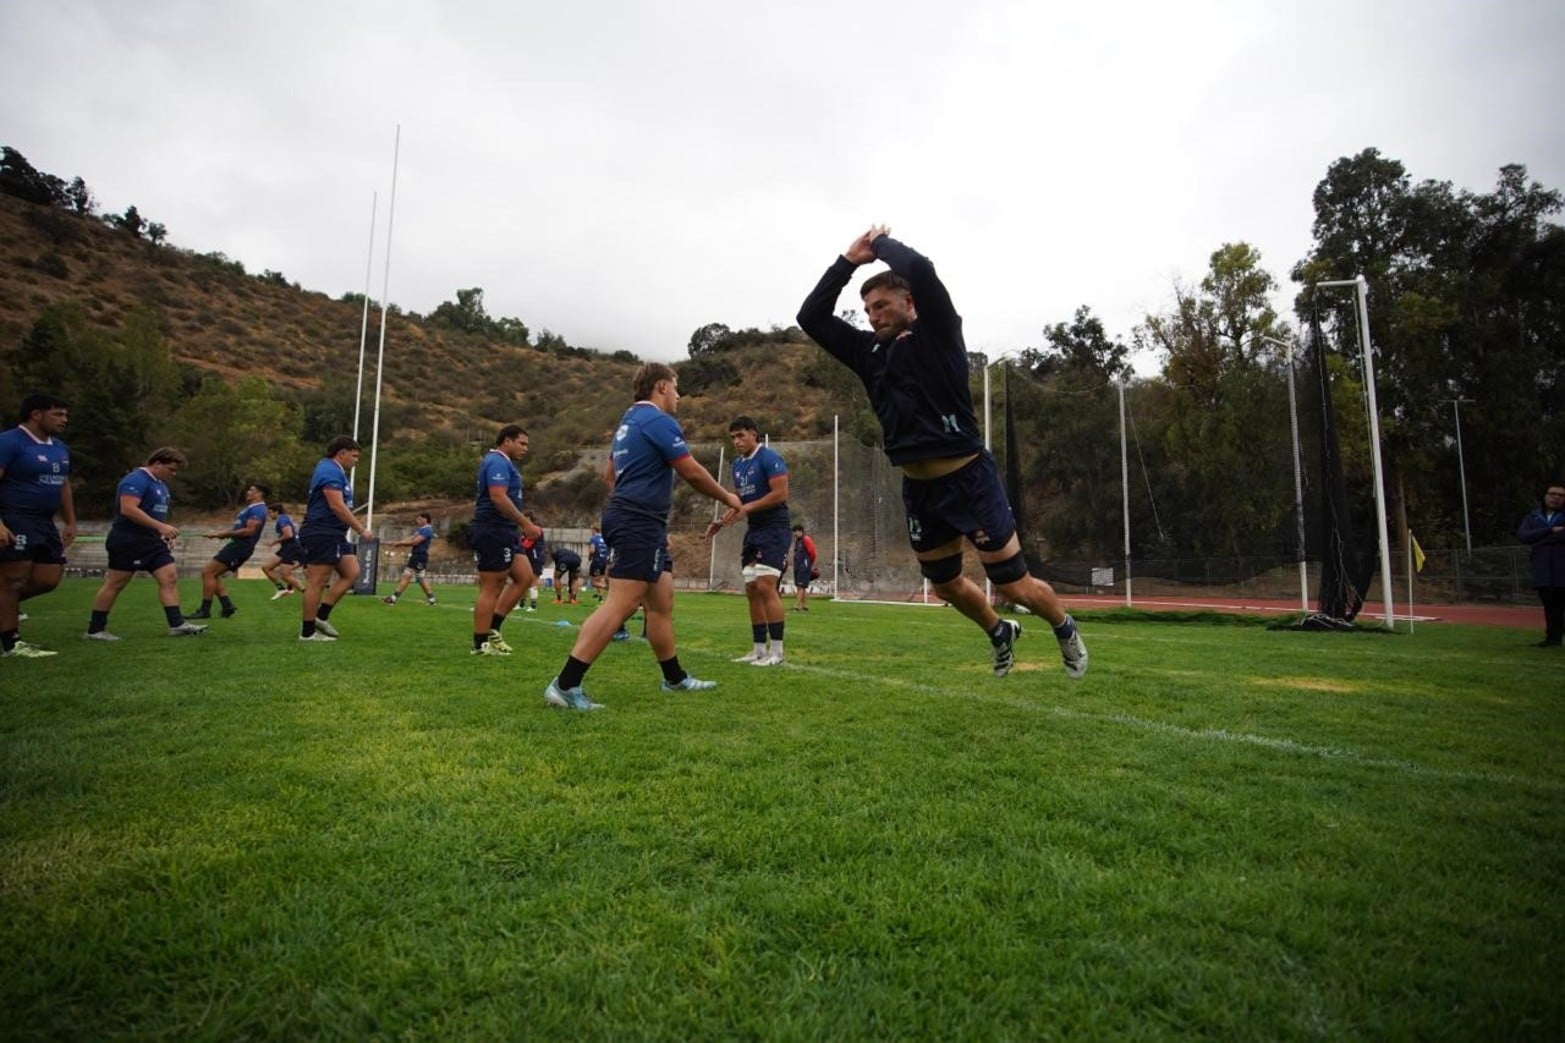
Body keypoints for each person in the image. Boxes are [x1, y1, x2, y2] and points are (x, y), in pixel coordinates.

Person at [797, 225, 1087, 679]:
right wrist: (847, 263)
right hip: (920, 489)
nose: (874, 316)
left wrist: (880, 248)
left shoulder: (939, 331)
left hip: (969, 478)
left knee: (1013, 584)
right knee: (946, 585)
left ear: (909, 304)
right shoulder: (866, 351)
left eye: (883, 306)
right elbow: (811, 317)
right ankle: (998, 632)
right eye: (868, 310)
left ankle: (1063, 626)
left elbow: (921, 270)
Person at [544, 362, 742, 710]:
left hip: (639, 520)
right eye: (676, 388)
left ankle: (675, 679)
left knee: (661, 602)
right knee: (622, 602)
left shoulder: (628, 422)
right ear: (661, 386)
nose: (679, 396)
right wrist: (728, 497)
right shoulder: (657, 420)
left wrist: (646, 515)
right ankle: (565, 684)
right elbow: (691, 471)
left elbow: (610, 475)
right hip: (637, 521)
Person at [83, 447, 208, 640]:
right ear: (157, 463)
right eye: (171, 469)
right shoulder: (136, 479)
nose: (173, 474)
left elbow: (155, 514)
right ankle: (95, 629)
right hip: (128, 539)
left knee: (169, 577)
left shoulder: (161, 485)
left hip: (151, 541)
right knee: (116, 583)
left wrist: (162, 534)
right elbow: (128, 509)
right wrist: (160, 527)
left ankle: (177, 624)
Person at [707, 416, 791, 666]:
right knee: (752, 589)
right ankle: (758, 651)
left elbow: (780, 494)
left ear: (754, 434)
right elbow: (742, 503)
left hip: (774, 528)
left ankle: (777, 652)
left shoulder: (769, 458)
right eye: (733, 437)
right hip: (754, 530)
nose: (737, 441)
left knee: (766, 586)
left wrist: (748, 507)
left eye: (741, 435)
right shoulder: (737, 465)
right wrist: (722, 521)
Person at [0, 394, 76, 659]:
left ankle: (4, 611)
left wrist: (70, 521)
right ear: (35, 414)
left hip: (45, 522)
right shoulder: (9, 442)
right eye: (57, 414)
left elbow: (63, 484)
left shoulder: (59, 447)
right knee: (13, 577)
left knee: (48, 578)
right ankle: (12, 643)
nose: (64, 420)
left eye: (65, 415)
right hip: (15, 517)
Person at [467, 425, 544, 656]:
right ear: (506, 441)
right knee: (492, 585)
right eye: (522, 443)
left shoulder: (506, 464)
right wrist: (525, 523)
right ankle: (480, 644)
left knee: (525, 577)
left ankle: (493, 628)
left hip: (506, 530)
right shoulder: (497, 461)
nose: (525, 449)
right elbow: (498, 497)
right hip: (492, 529)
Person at [297, 436, 374, 641]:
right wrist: (360, 529)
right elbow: (336, 505)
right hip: (322, 531)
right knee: (318, 581)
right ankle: (307, 633)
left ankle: (321, 617)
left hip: (335, 533)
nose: (356, 461)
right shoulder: (329, 470)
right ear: (341, 453)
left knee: (352, 572)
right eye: (354, 456)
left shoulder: (335, 471)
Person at [189, 482, 270, 619]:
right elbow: (239, 529)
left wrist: (223, 534)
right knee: (212, 574)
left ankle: (205, 610)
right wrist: (220, 534)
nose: (248, 492)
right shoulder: (251, 508)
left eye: (251, 490)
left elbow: (249, 531)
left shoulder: (258, 509)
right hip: (237, 545)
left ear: (259, 494)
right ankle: (227, 606)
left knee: (208, 572)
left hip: (240, 547)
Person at [1518, 482, 1565, 648]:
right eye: (1553, 494)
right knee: (1550, 604)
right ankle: (1553, 638)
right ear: (1545, 496)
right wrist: (1550, 531)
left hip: (1562, 566)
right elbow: (1523, 536)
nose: (1556, 498)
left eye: (1561, 495)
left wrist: (1539, 542)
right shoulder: (1534, 516)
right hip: (1543, 568)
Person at [382, 512, 438, 605]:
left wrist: (399, 544)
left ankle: (393, 598)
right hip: (418, 556)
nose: (417, 521)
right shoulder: (421, 529)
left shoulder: (427, 530)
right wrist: (396, 543)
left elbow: (415, 542)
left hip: (419, 556)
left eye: (419, 519)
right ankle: (432, 600)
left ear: (425, 519)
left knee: (407, 576)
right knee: (420, 578)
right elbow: (410, 539)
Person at [260, 501, 306, 599]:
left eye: (270, 512)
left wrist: (274, 542)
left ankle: (307, 593)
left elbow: (289, 534)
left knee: (285, 575)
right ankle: (281, 589)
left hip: (291, 547)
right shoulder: (284, 518)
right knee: (266, 567)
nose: (269, 515)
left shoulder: (282, 519)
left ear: (276, 512)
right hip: (286, 547)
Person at [789, 523, 818, 612]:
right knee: (800, 586)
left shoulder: (806, 539)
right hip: (798, 566)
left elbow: (813, 553)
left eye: (795, 532)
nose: (794, 534)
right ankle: (805, 606)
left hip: (804, 566)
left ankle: (796, 606)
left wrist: (809, 564)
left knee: (801, 586)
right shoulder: (798, 541)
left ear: (800, 531)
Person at [520, 512, 546, 611]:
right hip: (528, 558)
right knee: (523, 580)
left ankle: (533, 605)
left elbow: (527, 544)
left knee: (533, 581)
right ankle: (521, 604)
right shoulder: (525, 531)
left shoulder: (536, 529)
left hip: (536, 558)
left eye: (526, 518)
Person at [587, 524, 609, 601]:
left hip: (597, 561)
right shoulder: (605, 538)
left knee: (593, 582)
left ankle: (608, 588)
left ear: (594, 530)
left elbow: (592, 550)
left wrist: (589, 556)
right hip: (605, 562)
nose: (591, 531)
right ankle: (600, 596)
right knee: (600, 579)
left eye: (591, 529)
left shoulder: (593, 538)